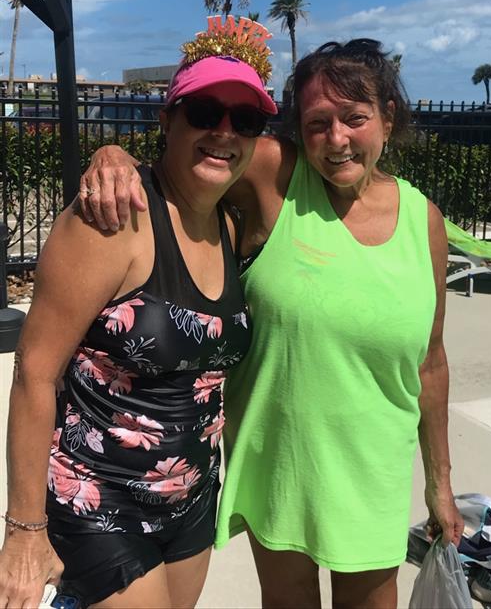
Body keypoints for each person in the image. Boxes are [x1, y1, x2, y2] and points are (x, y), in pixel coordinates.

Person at [78, 37, 464, 609]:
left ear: (388, 118)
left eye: (355, 118)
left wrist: (440, 486)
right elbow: (189, 154)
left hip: (374, 471)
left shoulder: (423, 220)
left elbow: (431, 362)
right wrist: (110, 156)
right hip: (280, 465)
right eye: (317, 123)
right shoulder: (279, 176)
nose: (336, 140)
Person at [0, 38, 278, 608]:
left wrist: (110, 148)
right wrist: (23, 531)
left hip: (192, 500)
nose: (225, 132)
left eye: (245, 120)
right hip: (99, 501)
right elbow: (34, 373)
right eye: (204, 113)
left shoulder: (230, 224)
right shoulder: (113, 219)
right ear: (167, 120)